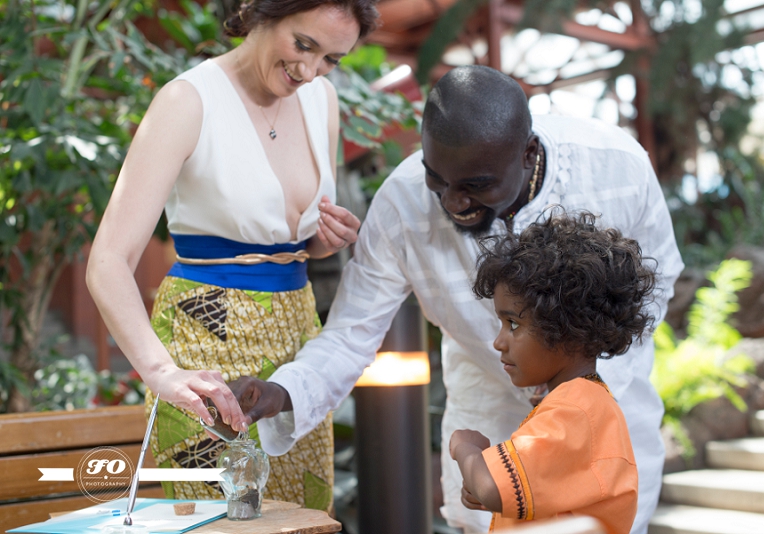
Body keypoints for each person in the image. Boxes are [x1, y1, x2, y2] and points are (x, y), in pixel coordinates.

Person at [232, 65, 685, 532]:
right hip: (487, 403)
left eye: (476, 185)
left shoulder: (617, 165)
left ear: (528, 154)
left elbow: (654, 283)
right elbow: (350, 334)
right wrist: (283, 391)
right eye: (437, 179)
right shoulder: (402, 204)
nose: (452, 202)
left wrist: (579, 388)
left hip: (609, 404)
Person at [86, 0, 379, 508]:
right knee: (216, 518)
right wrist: (162, 373)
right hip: (206, 341)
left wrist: (320, 240)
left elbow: (284, 236)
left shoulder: (322, 100)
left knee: (302, 515)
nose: (310, 71)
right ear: (259, 12)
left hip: (296, 353)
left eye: (332, 58)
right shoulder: (187, 101)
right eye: (303, 44)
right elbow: (107, 260)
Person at [450, 209, 657, 532]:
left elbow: (491, 488)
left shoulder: (575, 408)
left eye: (513, 324)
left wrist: (467, 449)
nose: (498, 342)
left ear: (567, 329)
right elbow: (506, 491)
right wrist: (482, 481)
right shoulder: (582, 405)